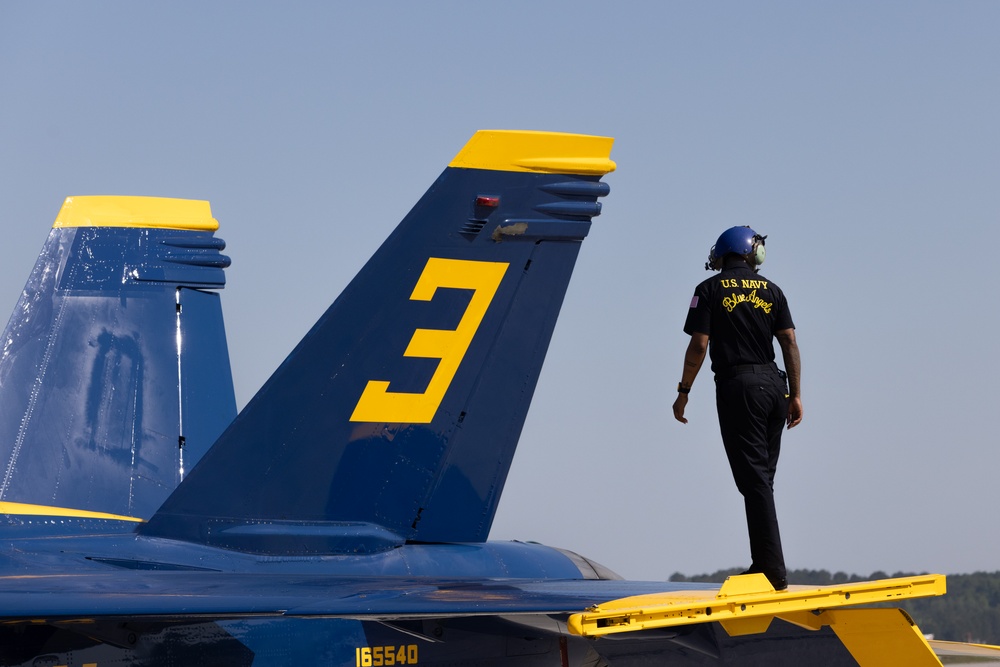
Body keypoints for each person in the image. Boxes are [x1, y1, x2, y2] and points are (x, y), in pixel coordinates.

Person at [672, 225, 802, 592]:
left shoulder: (707, 290)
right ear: (750, 251)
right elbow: (789, 340)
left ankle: (772, 572)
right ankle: (763, 562)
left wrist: (683, 391)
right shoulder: (773, 290)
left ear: (723, 253)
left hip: (739, 386)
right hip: (774, 388)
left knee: (754, 481)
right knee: (761, 480)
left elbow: (699, 345)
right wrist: (794, 394)